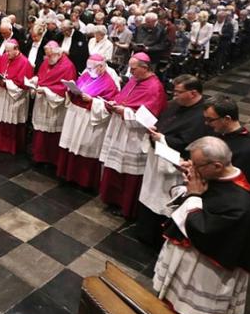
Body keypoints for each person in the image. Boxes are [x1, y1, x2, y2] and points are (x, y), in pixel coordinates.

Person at [152, 137, 250, 314]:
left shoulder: (239, 204)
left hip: (205, 272)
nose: (192, 169)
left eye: (196, 165)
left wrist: (193, 194)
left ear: (217, 165)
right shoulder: (217, 176)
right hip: (187, 263)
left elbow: (202, 232)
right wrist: (190, 185)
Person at [136, 74, 209, 246]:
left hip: (174, 165)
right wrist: (155, 130)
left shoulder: (202, 115)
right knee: (150, 193)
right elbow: (164, 122)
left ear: (193, 93)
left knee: (163, 201)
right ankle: (144, 231)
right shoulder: (175, 105)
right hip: (157, 158)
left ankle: (157, 237)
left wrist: (162, 138)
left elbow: (189, 143)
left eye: (178, 92)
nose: (174, 96)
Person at [98, 53, 168, 218]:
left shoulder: (154, 88)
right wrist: (114, 103)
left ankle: (126, 205)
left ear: (145, 68)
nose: (130, 72)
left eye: (133, 68)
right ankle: (112, 198)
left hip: (135, 135)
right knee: (115, 167)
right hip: (121, 130)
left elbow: (150, 117)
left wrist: (125, 111)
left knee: (129, 173)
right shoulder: (134, 80)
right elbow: (122, 97)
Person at [58, 54, 120, 190]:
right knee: (72, 146)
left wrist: (92, 100)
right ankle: (68, 174)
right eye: (87, 67)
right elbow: (79, 86)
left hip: (89, 121)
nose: (88, 70)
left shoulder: (109, 83)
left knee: (85, 149)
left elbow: (109, 106)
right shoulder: (87, 75)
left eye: (91, 68)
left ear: (101, 67)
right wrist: (71, 90)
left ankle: (83, 181)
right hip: (75, 117)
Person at [202, 96, 250, 207]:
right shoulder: (220, 133)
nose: (206, 123)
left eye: (210, 120)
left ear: (227, 119)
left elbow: (239, 189)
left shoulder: (246, 151)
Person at [29, 42, 76, 166]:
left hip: (54, 105)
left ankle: (50, 158)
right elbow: (41, 76)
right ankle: (38, 154)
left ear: (58, 53)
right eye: (47, 55)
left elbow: (65, 89)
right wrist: (35, 80)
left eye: (50, 55)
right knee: (40, 132)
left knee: (51, 134)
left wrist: (46, 90)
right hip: (42, 101)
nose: (48, 58)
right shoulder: (47, 61)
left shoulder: (68, 66)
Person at [0, 41, 34, 155]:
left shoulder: (24, 63)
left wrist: (6, 83)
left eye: (9, 51)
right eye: (6, 51)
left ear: (16, 49)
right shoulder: (4, 57)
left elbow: (22, 86)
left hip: (14, 98)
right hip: (2, 94)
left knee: (11, 121)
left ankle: (10, 147)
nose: (6, 54)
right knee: (0, 118)